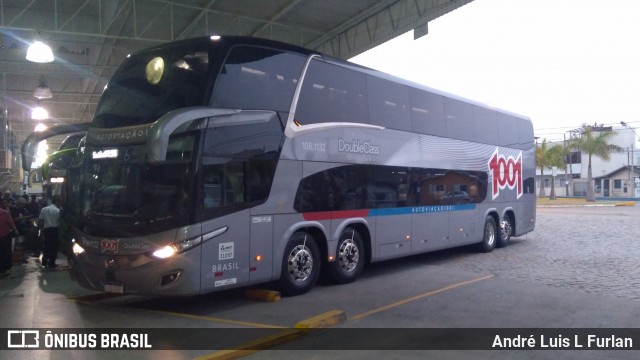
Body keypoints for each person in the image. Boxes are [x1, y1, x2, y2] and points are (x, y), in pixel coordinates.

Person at [39, 195, 61, 269]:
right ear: (57, 202)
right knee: (54, 247)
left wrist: (42, 231)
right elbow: (59, 222)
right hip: (54, 230)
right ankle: (51, 263)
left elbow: (41, 221)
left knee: (46, 246)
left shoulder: (44, 209)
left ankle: (44, 262)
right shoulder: (58, 211)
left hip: (46, 230)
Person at [0, 198, 19, 277]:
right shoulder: (5, 213)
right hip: (5, 235)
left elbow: (11, 223)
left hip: (5, 235)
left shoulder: (5, 213)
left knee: (4, 253)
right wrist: (15, 230)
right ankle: (4, 269)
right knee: (5, 252)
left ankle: (4, 269)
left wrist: (15, 229)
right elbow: (11, 223)